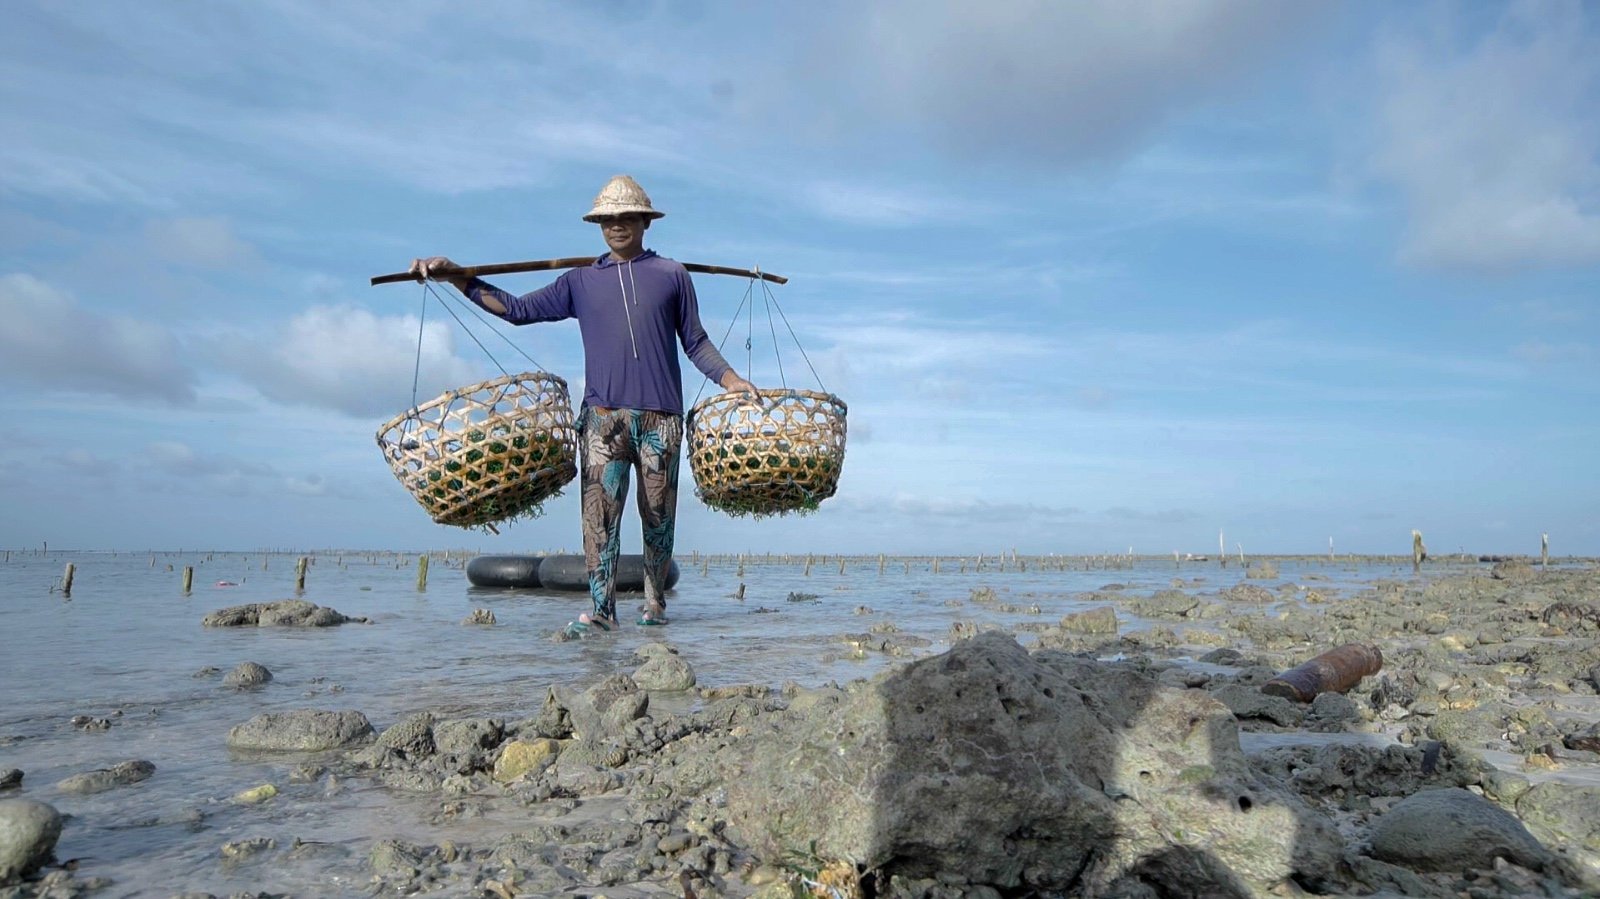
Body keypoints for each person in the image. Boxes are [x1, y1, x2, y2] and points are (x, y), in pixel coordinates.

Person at [410, 174, 757, 636]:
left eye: (626, 218)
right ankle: (601, 610)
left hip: (661, 420)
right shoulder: (579, 282)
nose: (617, 226)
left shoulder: (672, 275)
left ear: (645, 222)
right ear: (598, 224)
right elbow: (515, 310)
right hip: (602, 421)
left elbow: (695, 341)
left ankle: (655, 604)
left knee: (658, 516)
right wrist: (459, 278)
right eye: (608, 220)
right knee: (600, 516)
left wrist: (729, 378)